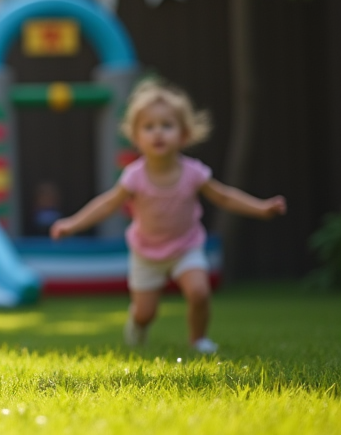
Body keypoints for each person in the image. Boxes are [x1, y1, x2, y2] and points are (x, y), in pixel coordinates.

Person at [50, 80, 285, 353]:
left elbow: (224, 196)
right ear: (137, 138)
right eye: (148, 127)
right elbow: (106, 205)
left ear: (184, 134)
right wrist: (72, 224)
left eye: (167, 125)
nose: (158, 133)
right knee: (145, 313)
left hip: (186, 246)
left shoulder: (194, 173)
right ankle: (137, 325)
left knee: (199, 292)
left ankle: (198, 338)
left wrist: (261, 208)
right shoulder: (134, 177)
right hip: (146, 252)